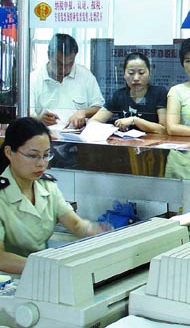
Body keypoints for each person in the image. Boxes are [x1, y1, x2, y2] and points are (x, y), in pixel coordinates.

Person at [0, 117, 111, 274]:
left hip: (42, 274)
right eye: (32, 156)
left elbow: (76, 225)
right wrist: (47, 268)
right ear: (9, 153)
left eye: (46, 155)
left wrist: (97, 232)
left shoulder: (47, 186)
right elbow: (1, 257)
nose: (41, 163)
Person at [30, 33, 105, 129]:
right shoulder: (34, 78)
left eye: (69, 64)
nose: (63, 69)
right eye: (58, 63)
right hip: (44, 134)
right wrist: (37, 119)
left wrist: (83, 112)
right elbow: (24, 113)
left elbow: (100, 108)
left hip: (78, 135)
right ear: (49, 55)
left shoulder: (85, 75)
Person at [90, 52, 167, 134]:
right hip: (125, 141)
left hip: (152, 141)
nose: (136, 78)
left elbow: (163, 129)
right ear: (124, 74)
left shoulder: (159, 93)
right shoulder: (119, 95)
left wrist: (135, 120)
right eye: (131, 73)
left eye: (141, 73)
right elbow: (93, 122)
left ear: (149, 73)